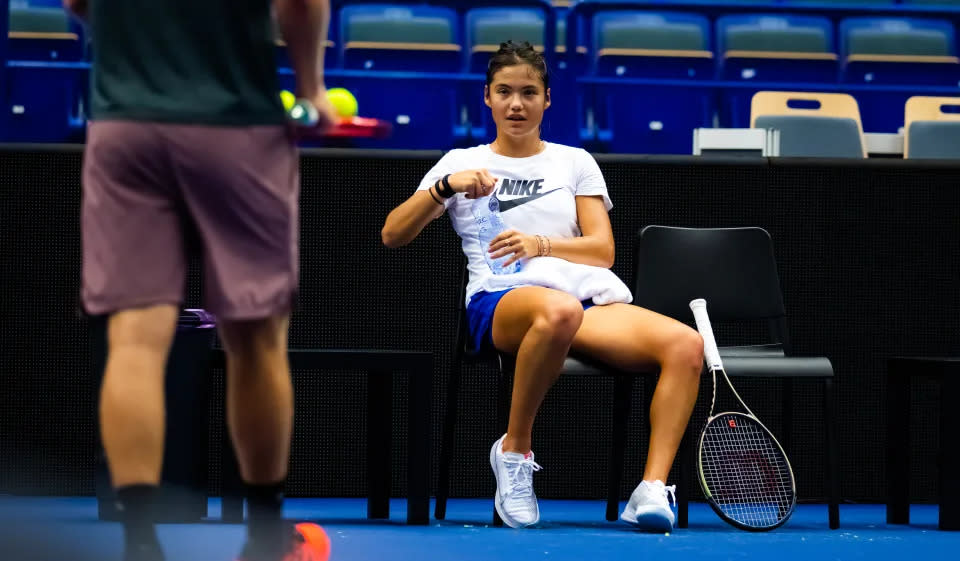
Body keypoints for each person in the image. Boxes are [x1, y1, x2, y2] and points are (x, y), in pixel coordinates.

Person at [381, 41, 703, 532]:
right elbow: (393, 235)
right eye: (505, 92)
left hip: (582, 300)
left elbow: (602, 250)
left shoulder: (574, 162)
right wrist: (444, 188)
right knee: (557, 312)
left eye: (528, 92)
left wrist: (540, 243)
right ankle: (514, 450)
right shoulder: (459, 161)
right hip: (499, 299)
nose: (516, 103)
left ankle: (651, 489)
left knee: (685, 344)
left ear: (547, 99)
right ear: (486, 97)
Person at [64, 1, 338, 560]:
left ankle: (139, 542)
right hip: (238, 126)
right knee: (256, 338)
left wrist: (142, 47)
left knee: (135, 339)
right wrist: (312, 91)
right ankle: (264, 538)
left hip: (126, 126)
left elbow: (77, 3)